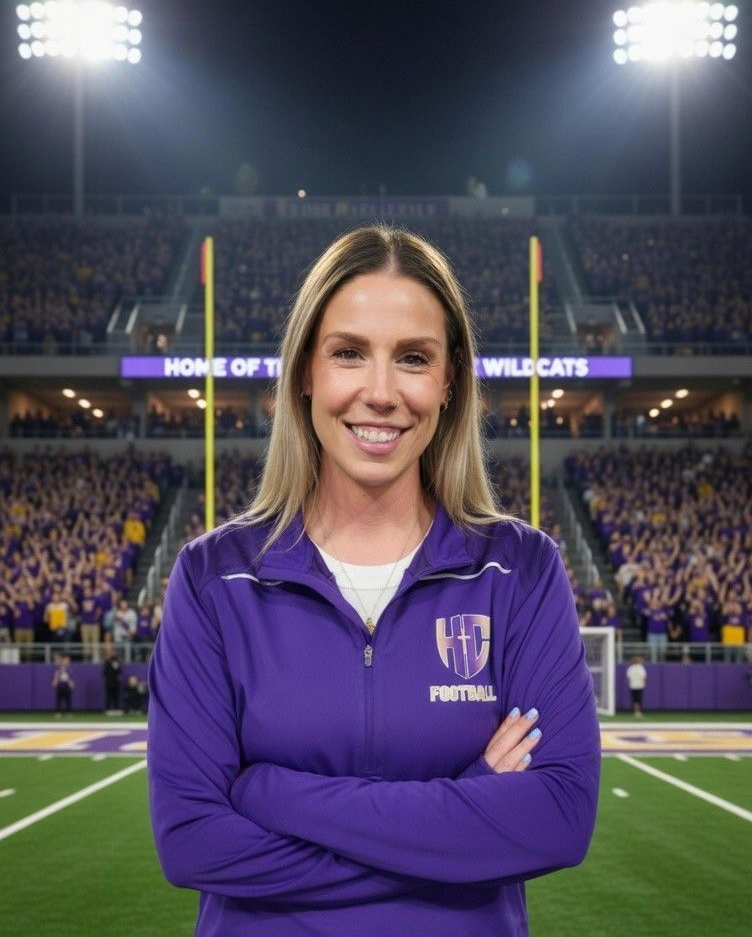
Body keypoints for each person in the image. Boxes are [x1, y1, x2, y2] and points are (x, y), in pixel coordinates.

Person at [148, 225, 601, 935]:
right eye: (349, 353)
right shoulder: (213, 578)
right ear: (306, 371)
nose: (381, 391)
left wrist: (267, 791)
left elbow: (560, 818)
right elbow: (192, 841)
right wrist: (470, 807)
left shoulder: (522, 570)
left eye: (413, 358)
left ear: (450, 380)